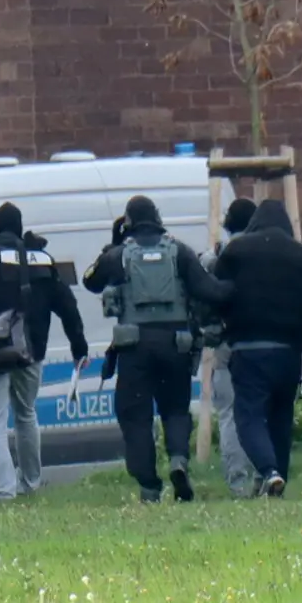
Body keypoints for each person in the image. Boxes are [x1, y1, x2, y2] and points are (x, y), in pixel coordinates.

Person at [83, 195, 233, 503]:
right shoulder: (180, 252)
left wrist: (113, 244)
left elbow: (90, 281)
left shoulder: (119, 255)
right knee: (175, 408)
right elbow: (211, 291)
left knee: (134, 415)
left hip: (134, 347)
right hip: (175, 343)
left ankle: (150, 485)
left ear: (128, 223)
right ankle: (178, 460)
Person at [0, 203, 90, 502]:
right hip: (31, 352)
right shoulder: (42, 260)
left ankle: (5, 491)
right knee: (26, 415)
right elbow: (68, 306)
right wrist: (79, 348)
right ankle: (31, 484)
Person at [212, 199, 302, 498]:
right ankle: (278, 479)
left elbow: (218, 291)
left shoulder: (236, 251)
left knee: (248, 415)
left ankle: (269, 470)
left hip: (248, 346)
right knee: (281, 416)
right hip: (289, 349)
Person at [200, 198, 259, 498]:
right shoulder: (265, 253)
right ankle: (266, 471)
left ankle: (238, 482)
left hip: (225, 342)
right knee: (260, 411)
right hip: (260, 340)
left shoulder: (218, 256)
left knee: (228, 414)